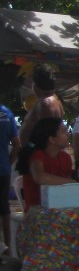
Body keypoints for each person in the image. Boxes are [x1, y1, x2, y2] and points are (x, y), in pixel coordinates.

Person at [15, 117, 75, 211]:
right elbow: (40, 177)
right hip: (38, 212)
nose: (68, 134)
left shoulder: (65, 157)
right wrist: (72, 182)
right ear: (52, 139)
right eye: (64, 131)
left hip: (60, 209)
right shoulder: (37, 155)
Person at [18, 64, 64, 142]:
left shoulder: (47, 103)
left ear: (35, 86)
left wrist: (31, 147)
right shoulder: (49, 101)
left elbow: (48, 134)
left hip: (38, 151)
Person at [0, 103, 20, 255]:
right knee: (4, 208)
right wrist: (8, 162)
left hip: (3, 167)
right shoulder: (7, 112)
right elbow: (17, 144)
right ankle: (8, 250)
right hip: (3, 169)